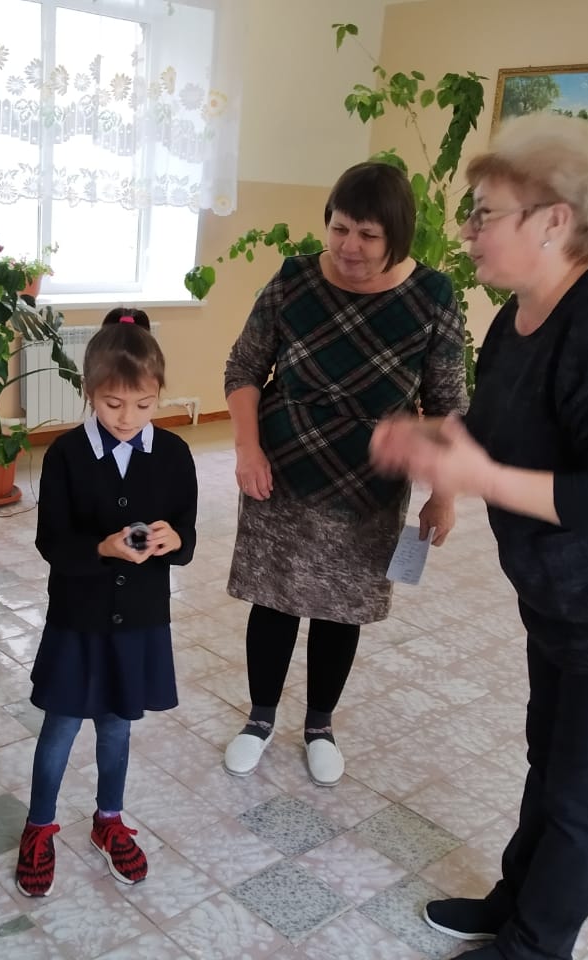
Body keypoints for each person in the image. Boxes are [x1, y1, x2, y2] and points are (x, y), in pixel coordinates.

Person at [368, 113, 588, 960]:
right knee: (549, 761)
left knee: (586, 799)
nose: (467, 232)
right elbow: (499, 436)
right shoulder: (517, 319)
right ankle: (515, 904)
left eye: (484, 214)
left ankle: (536, 947)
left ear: (554, 221)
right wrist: (434, 440)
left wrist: (481, 478)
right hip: (564, 600)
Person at [221, 161, 467, 787]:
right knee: (274, 600)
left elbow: (447, 405)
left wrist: (443, 496)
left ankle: (320, 726)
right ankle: (259, 719)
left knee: (340, 609)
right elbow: (244, 368)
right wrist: (248, 450)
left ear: (397, 236)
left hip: (368, 486)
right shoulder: (294, 280)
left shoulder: (432, 298)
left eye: (368, 235)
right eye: (339, 228)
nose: (349, 246)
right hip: (281, 473)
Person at [14, 308, 197, 897]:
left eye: (143, 404)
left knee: (117, 727)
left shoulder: (174, 454)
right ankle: (39, 825)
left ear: (158, 394)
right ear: (90, 392)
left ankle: (108, 819)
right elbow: (51, 543)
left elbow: (187, 538)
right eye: (114, 403)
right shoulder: (65, 455)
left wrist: (171, 541)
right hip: (79, 618)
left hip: (139, 621)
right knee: (61, 728)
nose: (127, 417)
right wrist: (102, 548)